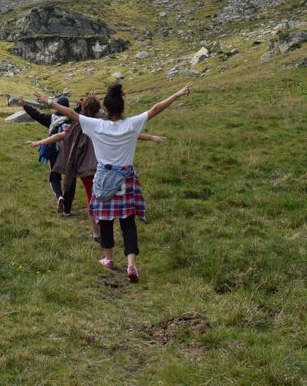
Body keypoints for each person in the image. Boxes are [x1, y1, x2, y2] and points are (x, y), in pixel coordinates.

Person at [38, 81, 193, 283]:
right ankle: (131, 264)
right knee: (128, 221)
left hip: (104, 178)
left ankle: (108, 259)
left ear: (106, 108)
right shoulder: (132, 124)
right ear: (122, 107)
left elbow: (72, 114)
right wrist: (176, 95)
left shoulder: (97, 126)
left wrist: (49, 102)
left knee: (105, 220)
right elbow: (155, 108)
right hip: (126, 179)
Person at [26, 95, 166, 240]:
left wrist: (40, 142)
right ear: (99, 108)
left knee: (91, 199)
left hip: (86, 170)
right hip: (106, 169)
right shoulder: (105, 123)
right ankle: (113, 225)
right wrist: (150, 137)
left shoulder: (81, 124)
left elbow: (61, 135)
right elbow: (128, 132)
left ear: (83, 107)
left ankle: (97, 232)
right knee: (108, 198)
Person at [17, 95, 73, 213]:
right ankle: (67, 210)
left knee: (54, 176)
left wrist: (24, 105)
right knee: (70, 179)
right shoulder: (73, 120)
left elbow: (36, 115)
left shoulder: (51, 119)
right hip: (70, 153)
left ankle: (59, 196)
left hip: (55, 152)